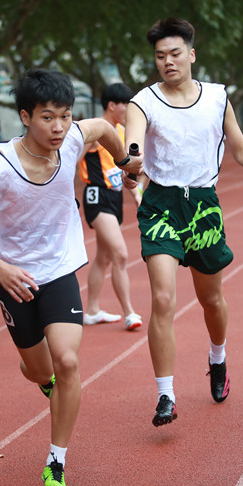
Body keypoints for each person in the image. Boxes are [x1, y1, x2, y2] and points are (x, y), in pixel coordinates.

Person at [0, 69, 141, 486]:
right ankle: (42, 376)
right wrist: (0, 269)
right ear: (25, 116)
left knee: (67, 362)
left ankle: (56, 460)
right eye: (47, 117)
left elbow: (105, 128)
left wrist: (125, 162)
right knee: (39, 369)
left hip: (59, 269)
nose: (58, 127)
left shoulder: (72, 139)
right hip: (14, 278)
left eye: (65, 116)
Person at [125, 18, 243, 427]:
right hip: (160, 206)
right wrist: (132, 160)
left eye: (175, 53)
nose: (168, 61)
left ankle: (218, 357)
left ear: (191, 54)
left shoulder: (217, 97)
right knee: (162, 299)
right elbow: (133, 142)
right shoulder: (142, 102)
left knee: (210, 299)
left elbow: (239, 146)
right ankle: (165, 395)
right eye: (160, 56)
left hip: (203, 207)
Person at [78, 83, 143, 330]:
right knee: (120, 254)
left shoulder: (122, 132)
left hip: (115, 198)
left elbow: (126, 169)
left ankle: (92, 311)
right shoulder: (95, 131)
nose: (128, 109)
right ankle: (130, 313)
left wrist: (136, 195)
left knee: (104, 257)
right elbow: (73, 158)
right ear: (112, 105)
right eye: (125, 104)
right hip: (97, 196)